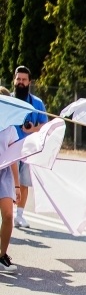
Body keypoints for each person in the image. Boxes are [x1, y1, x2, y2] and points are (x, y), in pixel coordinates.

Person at [11, 66, 47, 229]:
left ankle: (19, 215)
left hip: (28, 149)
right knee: (5, 182)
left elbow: (46, 125)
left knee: (24, 183)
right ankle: (6, 213)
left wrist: (31, 129)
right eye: (18, 79)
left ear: (29, 82)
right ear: (14, 80)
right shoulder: (7, 99)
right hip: (8, 149)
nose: (21, 82)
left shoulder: (37, 103)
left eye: (24, 80)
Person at [0, 87, 20, 273]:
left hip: (4, 174)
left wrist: (17, 185)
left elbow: (13, 157)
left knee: (8, 215)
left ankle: (2, 255)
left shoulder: (11, 128)